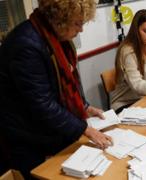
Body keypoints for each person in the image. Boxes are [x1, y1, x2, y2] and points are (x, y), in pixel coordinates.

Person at [0, 0, 113, 179]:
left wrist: (84, 107)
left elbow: (68, 86)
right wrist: (86, 129)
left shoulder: (56, 38)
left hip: (49, 132)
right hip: (29, 141)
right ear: (60, 19)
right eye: (78, 23)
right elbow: (42, 104)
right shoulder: (26, 46)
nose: (81, 29)